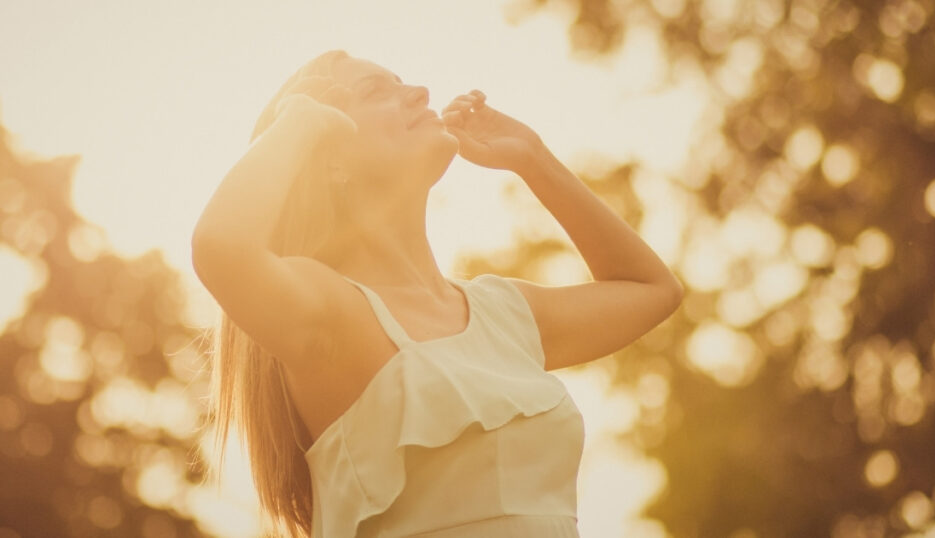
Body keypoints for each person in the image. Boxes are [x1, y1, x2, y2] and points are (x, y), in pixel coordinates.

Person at [191, 49, 683, 538]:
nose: (421, 92)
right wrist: (297, 122)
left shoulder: (505, 313)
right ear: (329, 153)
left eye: (403, 79)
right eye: (375, 90)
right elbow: (222, 247)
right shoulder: (331, 311)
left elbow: (652, 290)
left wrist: (534, 159)